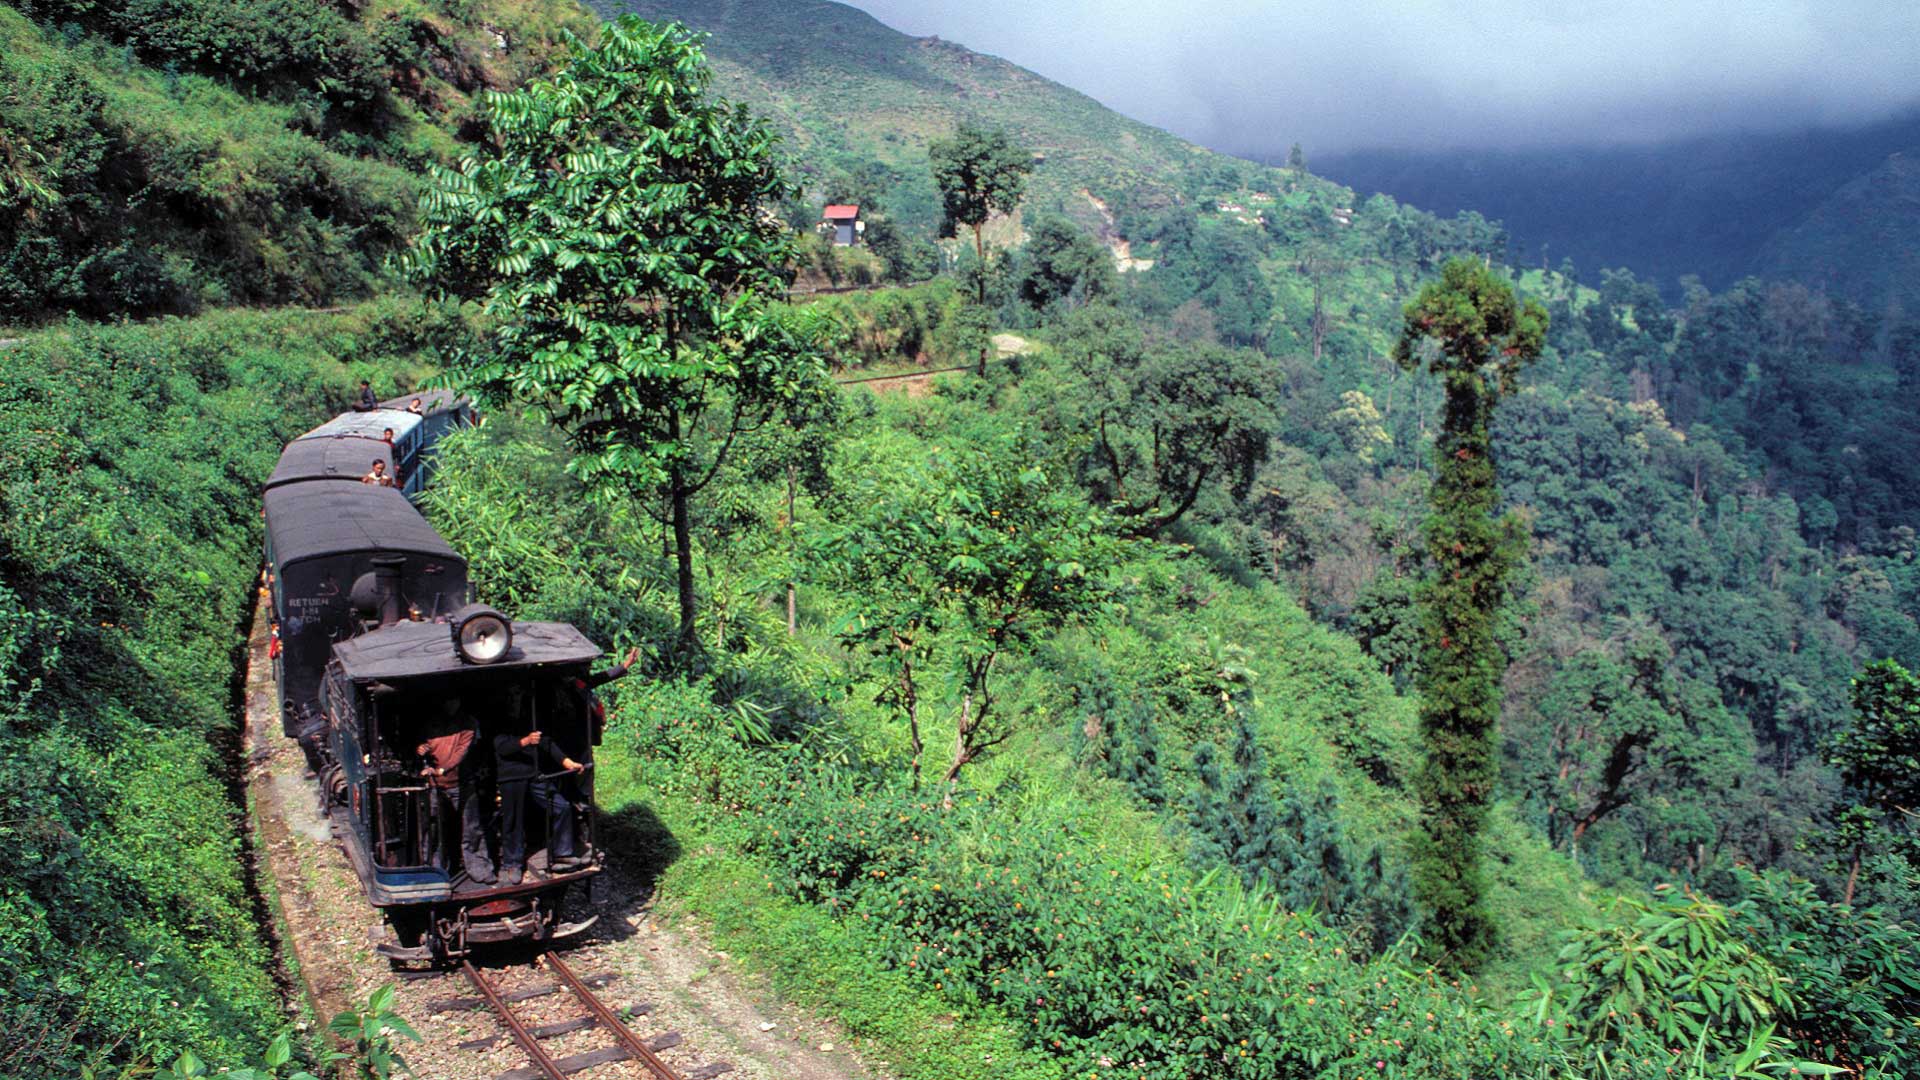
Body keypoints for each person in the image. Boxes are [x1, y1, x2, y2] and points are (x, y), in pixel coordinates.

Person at [491, 702, 588, 885]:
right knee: (513, 821)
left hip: (534, 773)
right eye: (513, 695)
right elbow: (501, 747)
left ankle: (562, 853)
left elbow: (546, 743)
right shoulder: (498, 719)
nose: (516, 700)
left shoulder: (531, 715)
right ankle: (513, 863)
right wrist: (525, 741)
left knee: (562, 807)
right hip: (510, 777)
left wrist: (567, 762)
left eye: (519, 695)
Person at [417, 698, 495, 884]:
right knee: (434, 829)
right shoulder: (431, 723)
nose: (450, 704)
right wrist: (421, 750)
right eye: (447, 701)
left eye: (454, 701)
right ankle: (435, 871)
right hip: (435, 784)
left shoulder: (467, 724)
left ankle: (480, 869)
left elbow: (462, 751)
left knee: (472, 829)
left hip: (462, 783)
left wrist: (444, 769)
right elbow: (424, 745)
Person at [572, 645, 642, 745]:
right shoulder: (568, 684)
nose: (590, 667)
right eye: (587, 665)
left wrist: (625, 665)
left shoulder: (580, 683)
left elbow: (599, 678)